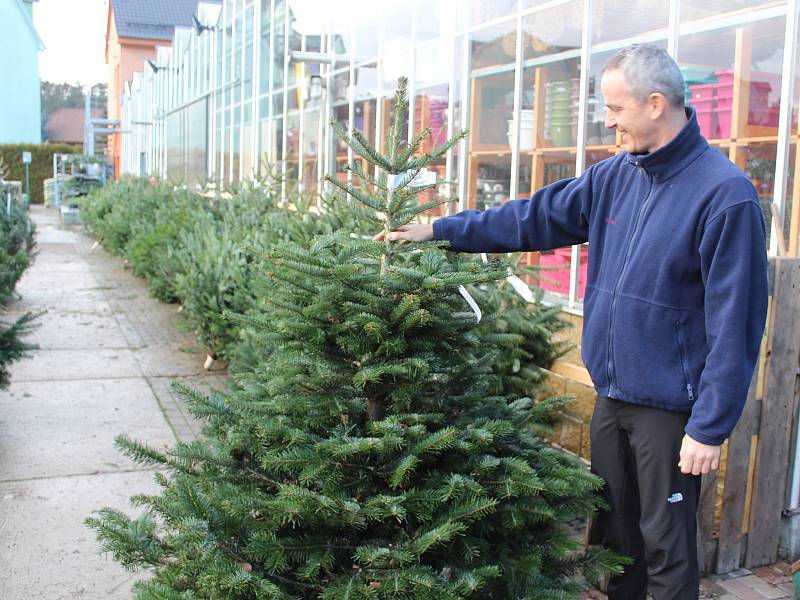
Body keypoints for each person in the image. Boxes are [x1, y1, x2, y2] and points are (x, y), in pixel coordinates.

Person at [375, 44, 768, 600]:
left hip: (670, 411)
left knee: (666, 545)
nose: (607, 121)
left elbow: (737, 323)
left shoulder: (723, 196)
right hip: (611, 395)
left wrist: (709, 426)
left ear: (656, 104)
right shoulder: (614, 177)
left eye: (616, 108)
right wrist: (441, 231)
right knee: (614, 536)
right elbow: (532, 218)